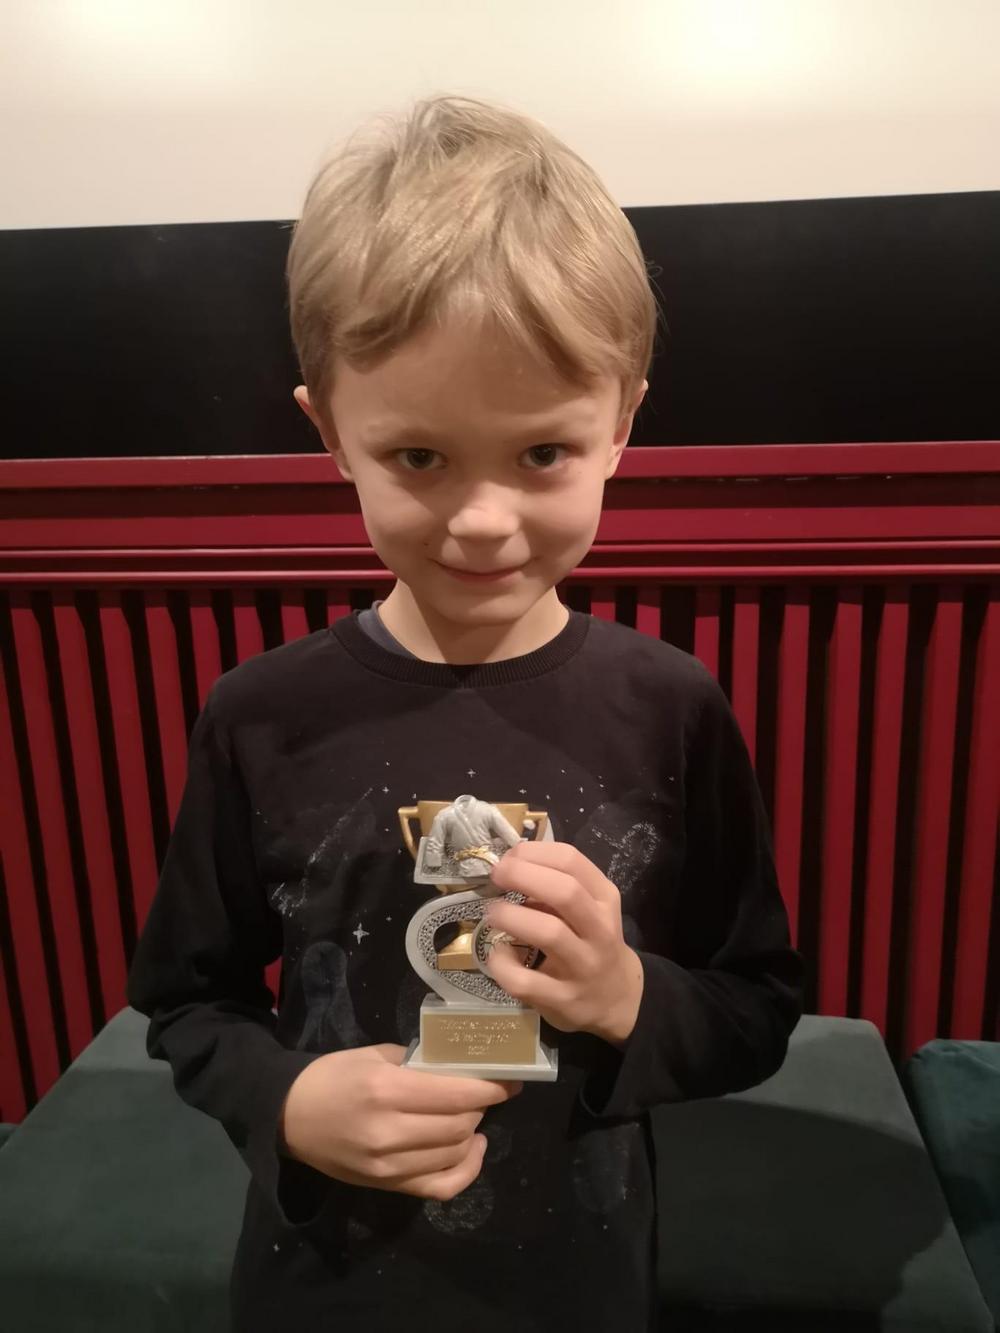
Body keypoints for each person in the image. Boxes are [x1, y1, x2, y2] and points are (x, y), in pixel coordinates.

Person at [127, 94, 803, 1333]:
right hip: (320, 1288)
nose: (483, 521)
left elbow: (754, 1004)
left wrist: (624, 995)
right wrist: (285, 1102)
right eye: (419, 457)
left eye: (542, 453)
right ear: (332, 434)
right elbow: (186, 1000)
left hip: (580, 1283)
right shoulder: (259, 715)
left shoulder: (672, 706)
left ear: (621, 424)